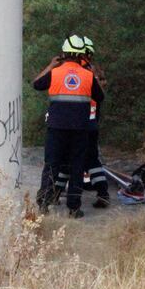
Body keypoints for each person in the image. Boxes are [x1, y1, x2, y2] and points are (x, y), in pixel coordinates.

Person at [32, 34, 104, 218]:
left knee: (52, 165)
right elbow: (100, 96)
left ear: (64, 53)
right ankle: (73, 208)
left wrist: (51, 65)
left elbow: (36, 84)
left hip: (56, 128)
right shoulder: (88, 75)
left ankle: (44, 204)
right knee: (77, 166)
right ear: (82, 54)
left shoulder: (55, 72)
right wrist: (93, 77)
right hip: (80, 129)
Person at [78, 38, 110, 208]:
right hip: (91, 122)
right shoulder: (91, 71)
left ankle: (55, 194)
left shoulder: (81, 72)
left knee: (68, 158)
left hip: (79, 123)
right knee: (92, 159)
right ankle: (103, 193)